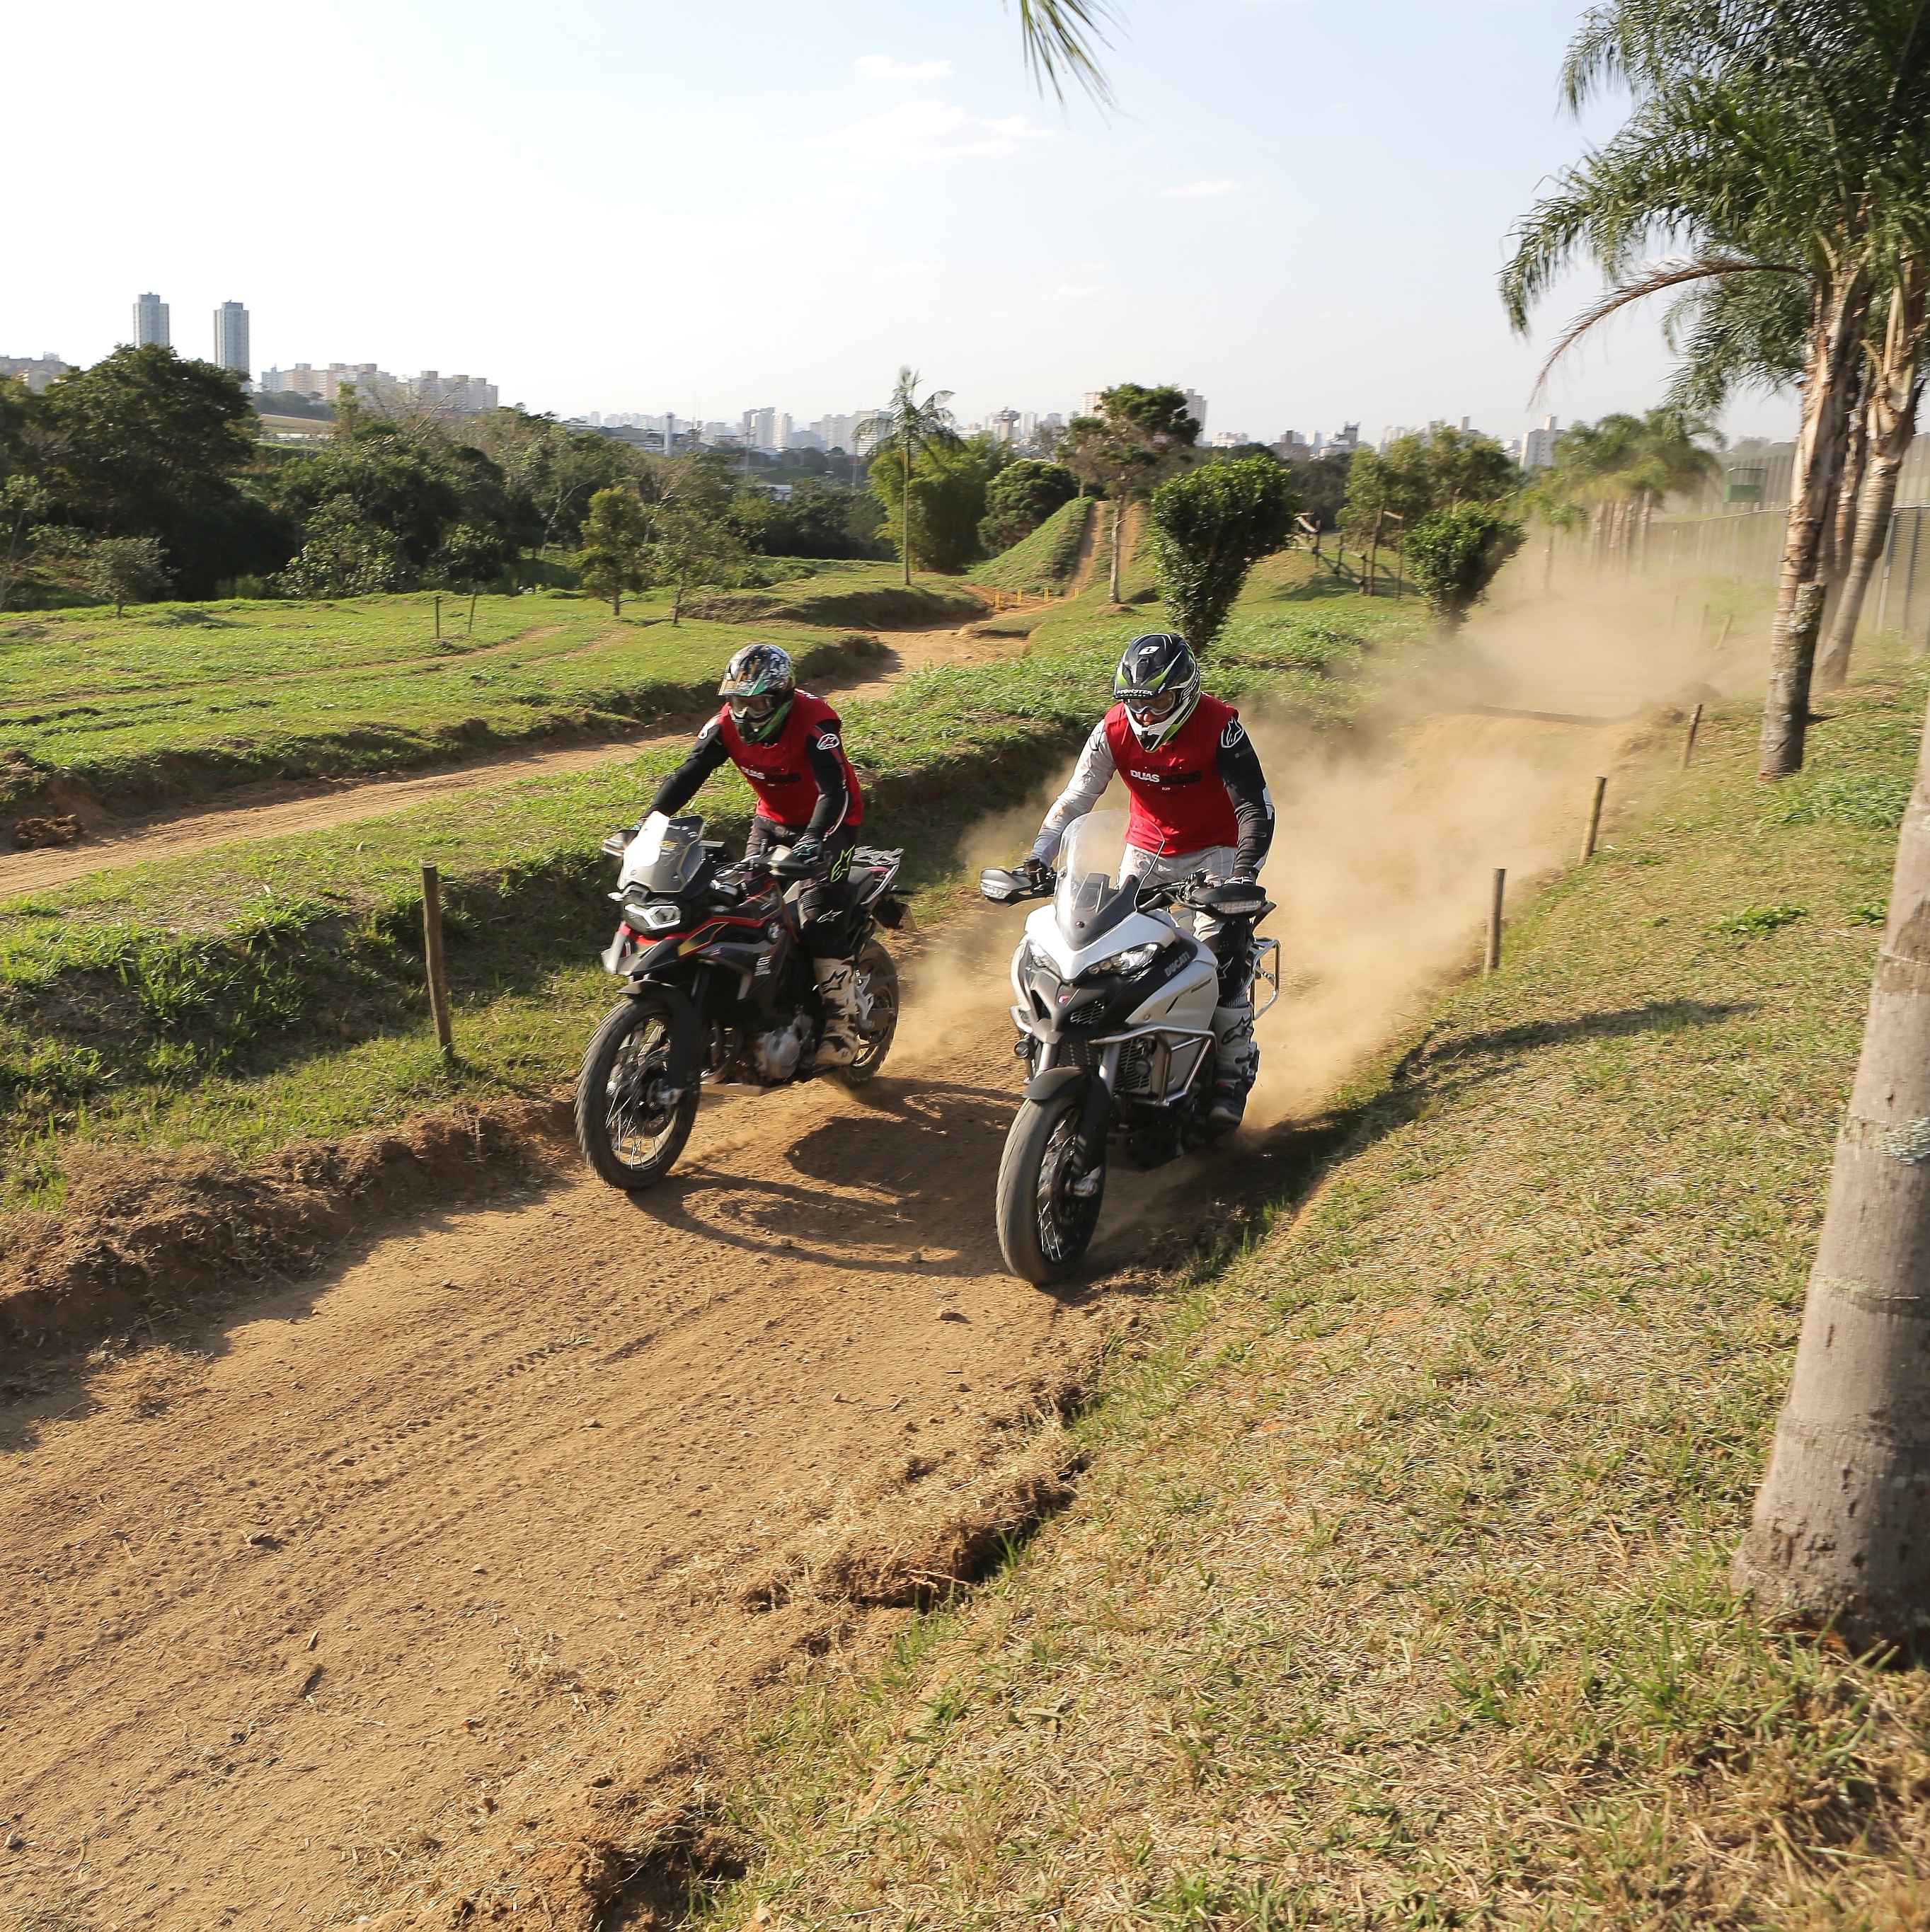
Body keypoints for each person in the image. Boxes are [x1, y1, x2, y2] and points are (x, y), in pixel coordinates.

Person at [1023, 632, 1274, 1127]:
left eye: (1158, 701)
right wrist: (1036, 857)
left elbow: (1254, 807)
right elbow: (1076, 799)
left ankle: (1230, 1068)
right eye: (1136, 703)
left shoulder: (1219, 727)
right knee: (1109, 955)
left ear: (1183, 693)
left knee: (1219, 959)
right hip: (1145, 850)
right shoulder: (1112, 729)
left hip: (1217, 852)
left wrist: (1242, 877)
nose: (1145, 715)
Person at [645, 642, 868, 1065]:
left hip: (831, 823)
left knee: (819, 917)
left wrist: (816, 838)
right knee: (749, 911)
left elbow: (834, 790)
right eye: (737, 700)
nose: (745, 711)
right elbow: (689, 773)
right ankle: (765, 1005)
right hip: (771, 821)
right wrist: (652, 819)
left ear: (782, 697)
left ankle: (843, 1025)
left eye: (757, 701)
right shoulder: (723, 725)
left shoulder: (814, 722)